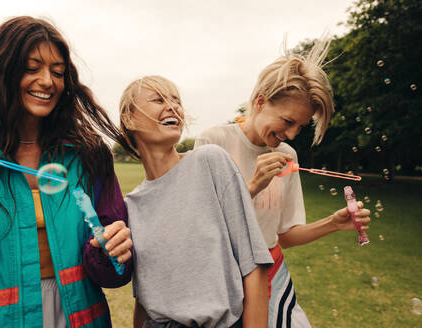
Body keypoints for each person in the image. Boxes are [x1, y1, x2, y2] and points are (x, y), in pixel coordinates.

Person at [0, 16, 134, 328]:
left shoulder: (88, 157)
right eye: (31, 67)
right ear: (2, 71)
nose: (48, 81)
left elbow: (113, 274)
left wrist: (110, 253)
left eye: (58, 72)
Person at [194, 38, 371, 328]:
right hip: (222, 279)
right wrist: (252, 186)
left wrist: (334, 223)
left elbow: (284, 235)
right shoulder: (214, 142)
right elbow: (199, 225)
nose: (291, 134)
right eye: (288, 121)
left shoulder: (287, 155)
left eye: (300, 126)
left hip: (271, 275)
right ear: (261, 101)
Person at [119, 75, 274, 328]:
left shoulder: (210, 162)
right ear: (128, 118)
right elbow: (146, 300)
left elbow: (254, 263)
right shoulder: (130, 205)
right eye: (158, 99)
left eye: (176, 100)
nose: (173, 107)